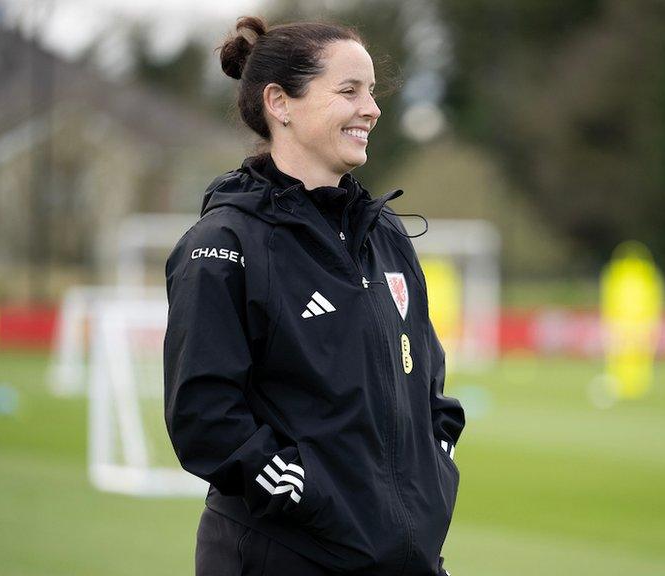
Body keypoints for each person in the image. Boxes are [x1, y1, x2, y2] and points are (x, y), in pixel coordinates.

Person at [163, 16, 465, 576]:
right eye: (349, 91)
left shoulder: (386, 234)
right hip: (285, 556)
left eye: (372, 91)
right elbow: (204, 416)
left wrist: (435, 465)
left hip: (405, 561)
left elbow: (427, 382)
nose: (371, 108)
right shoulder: (225, 244)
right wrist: (306, 496)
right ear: (280, 103)